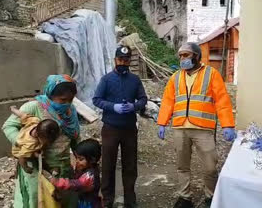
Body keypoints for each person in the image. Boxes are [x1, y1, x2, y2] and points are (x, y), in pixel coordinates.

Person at [157, 42, 236, 208]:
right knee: (182, 166)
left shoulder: (211, 74)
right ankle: (184, 198)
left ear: (197, 56)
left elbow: (222, 100)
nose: (182, 58)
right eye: (180, 56)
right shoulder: (175, 77)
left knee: (210, 167)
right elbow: (167, 102)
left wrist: (228, 124)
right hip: (180, 128)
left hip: (203, 129)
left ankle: (211, 197)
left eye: (186, 55)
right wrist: (162, 122)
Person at [2, 74, 80, 208]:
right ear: (50, 95)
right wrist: (26, 145)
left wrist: (79, 155)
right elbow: (8, 126)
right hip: (36, 167)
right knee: (38, 200)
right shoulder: (34, 107)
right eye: (63, 100)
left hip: (63, 166)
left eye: (70, 100)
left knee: (63, 200)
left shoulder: (70, 111)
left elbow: (75, 136)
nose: (67, 103)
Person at [93, 45, 147, 208]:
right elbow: (96, 99)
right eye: (120, 59)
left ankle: (130, 199)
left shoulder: (135, 80)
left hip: (129, 128)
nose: (123, 62)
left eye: (126, 60)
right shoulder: (106, 79)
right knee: (108, 164)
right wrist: (112, 106)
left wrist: (134, 106)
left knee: (130, 164)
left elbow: (143, 99)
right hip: (110, 128)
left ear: (130, 61)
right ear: (115, 60)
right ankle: (107, 200)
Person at [50, 139, 102, 208]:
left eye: (81, 159)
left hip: (89, 204)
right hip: (84, 200)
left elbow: (75, 184)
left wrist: (58, 182)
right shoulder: (87, 167)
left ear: (92, 160)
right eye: (76, 158)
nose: (77, 161)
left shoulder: (89, 176)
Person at [10, 105, 60, 174]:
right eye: (48, 141)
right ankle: (49, 169)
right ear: (39, 136)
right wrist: (26, 168)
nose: (50, 143)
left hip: (30, 147)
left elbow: (22, 115)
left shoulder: (35, 121)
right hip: (20, 151)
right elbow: (21, 157)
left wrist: (13, 109)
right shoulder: (30, 145)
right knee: (40, 160)